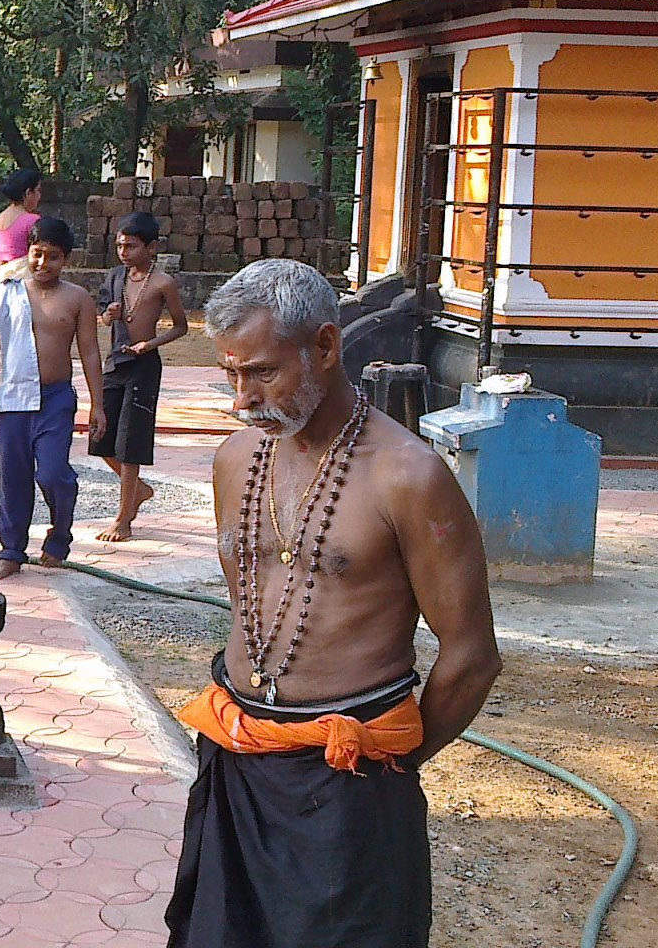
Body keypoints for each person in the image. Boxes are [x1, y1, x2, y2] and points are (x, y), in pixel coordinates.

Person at [165, 258, 502, 948]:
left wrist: (389, 763)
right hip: (239, 759)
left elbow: (471, 658)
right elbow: (249, 601)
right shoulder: (236, 458)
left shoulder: (410, 477)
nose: (242, 399)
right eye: (231, 375)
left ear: (325, 346)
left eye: (262, 373)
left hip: (351, 780)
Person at [0, 217, 106, 579]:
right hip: (13, 398)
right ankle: (12, 550)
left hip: (55, 400)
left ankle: (60, 533)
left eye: (53, 257)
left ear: (67, 259)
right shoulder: (8, 290)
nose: (43, 264)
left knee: (53, 473)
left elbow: (90, 352)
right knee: (13, 478)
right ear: (28, 252)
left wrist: (98, 405)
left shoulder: (77, 299)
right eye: (37, 254)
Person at [91, 211, 187, 542]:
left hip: (144, 367)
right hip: (115, 363)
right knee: (101, 438)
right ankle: (139, 491)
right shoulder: (115, 278)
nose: (124, 253)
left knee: (131, 442)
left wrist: (151, 343)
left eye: (131, 246)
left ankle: (123, 519)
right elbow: (102, 318)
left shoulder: (162, 283)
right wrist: (108, 316)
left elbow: (181, 326)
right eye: (120, 246)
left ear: (151, 247)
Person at [0, 168, 45, 334]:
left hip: (1, 287)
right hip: (26, 289)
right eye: (38, 191)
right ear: (29, 192)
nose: (39, 197)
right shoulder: (33, 221)